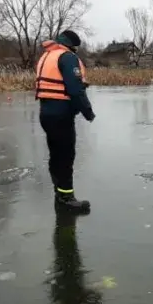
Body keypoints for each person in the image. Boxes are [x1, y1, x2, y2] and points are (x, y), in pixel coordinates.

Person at [36, 30, 94, 213]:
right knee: (65, 156)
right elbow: (74, 89)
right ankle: (66, 198)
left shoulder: (48, 55)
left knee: (56, 155)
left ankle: (58, 192)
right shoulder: (67, 57)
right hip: (61, 114)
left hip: (46, 112)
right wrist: (88, 112)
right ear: (72, 45)